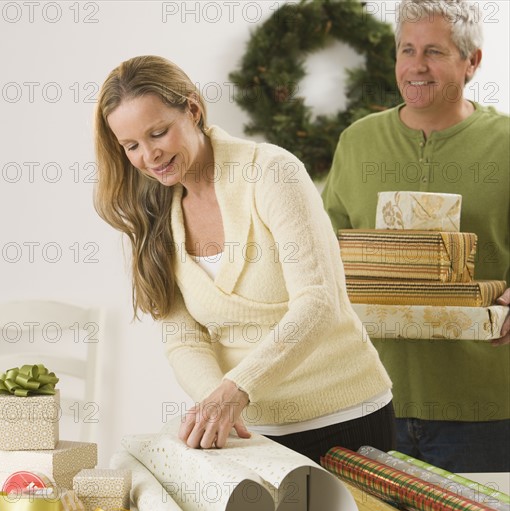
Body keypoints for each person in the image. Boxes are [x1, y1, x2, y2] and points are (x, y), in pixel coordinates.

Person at [94, 55, 395, 463]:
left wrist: (236, 392)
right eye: (131, 146)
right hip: (250, 435)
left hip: (345, 421)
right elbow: (183, 337)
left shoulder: (271, 173)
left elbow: (318, 302)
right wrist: (216, 404)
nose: (149, 156)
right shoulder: (152, 215)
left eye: (158, 133)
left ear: (194, 110)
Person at [323, 0, 509, 472]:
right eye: (407, 50)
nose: (416, 66)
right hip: (367, 402)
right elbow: (323, 254)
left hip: (484, 408)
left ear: (473, 62)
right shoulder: (357, 141)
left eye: (434, 52)